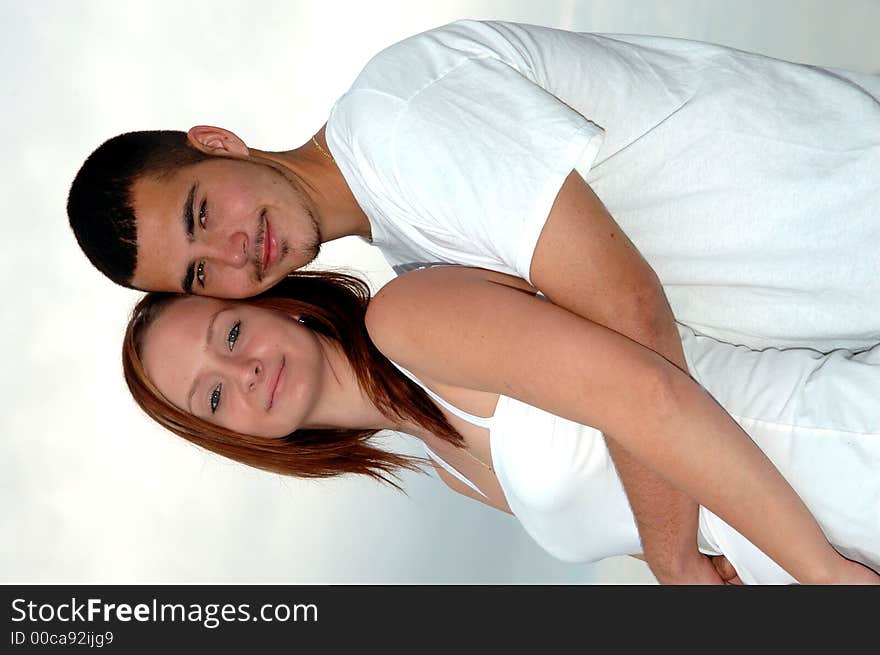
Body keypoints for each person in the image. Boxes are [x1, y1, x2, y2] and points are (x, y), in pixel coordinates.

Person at [69, 19, 880, 582]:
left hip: (850, 210)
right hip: (830, 384)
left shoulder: (400, 127)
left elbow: (635, 331)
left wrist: (683, 564)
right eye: (201, 274)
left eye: (202, 213)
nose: (234, 253)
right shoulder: (416, 249)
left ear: (215, 144)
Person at [122, 267, 880, 584]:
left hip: (827, 450)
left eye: (228, 335)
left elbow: (650, 394)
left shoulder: (407, 320)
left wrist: (815, 570)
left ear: (274, 302)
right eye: (212, 399)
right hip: (805, 545)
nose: (244, 373)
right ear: (239, 440)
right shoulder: (446, 466)